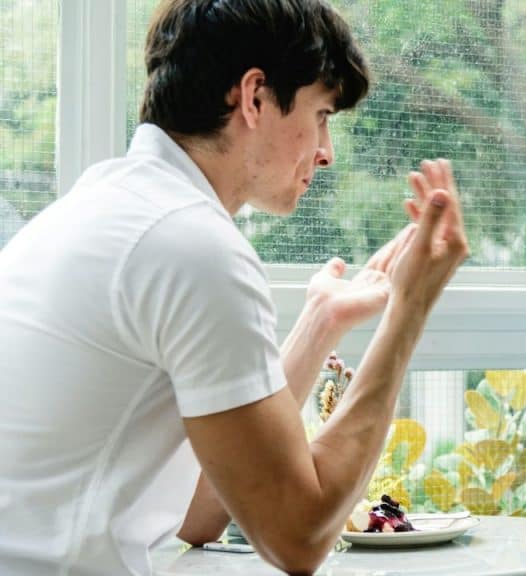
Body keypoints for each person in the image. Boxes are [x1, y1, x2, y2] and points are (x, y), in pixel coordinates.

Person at [0, 1, 468, 574]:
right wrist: (409, 309)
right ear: (254, 97)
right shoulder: (191, 244)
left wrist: (320, 322)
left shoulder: (107, 205)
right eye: (321, 114)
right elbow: (298, 537)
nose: (326, 152)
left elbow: (198, 512)